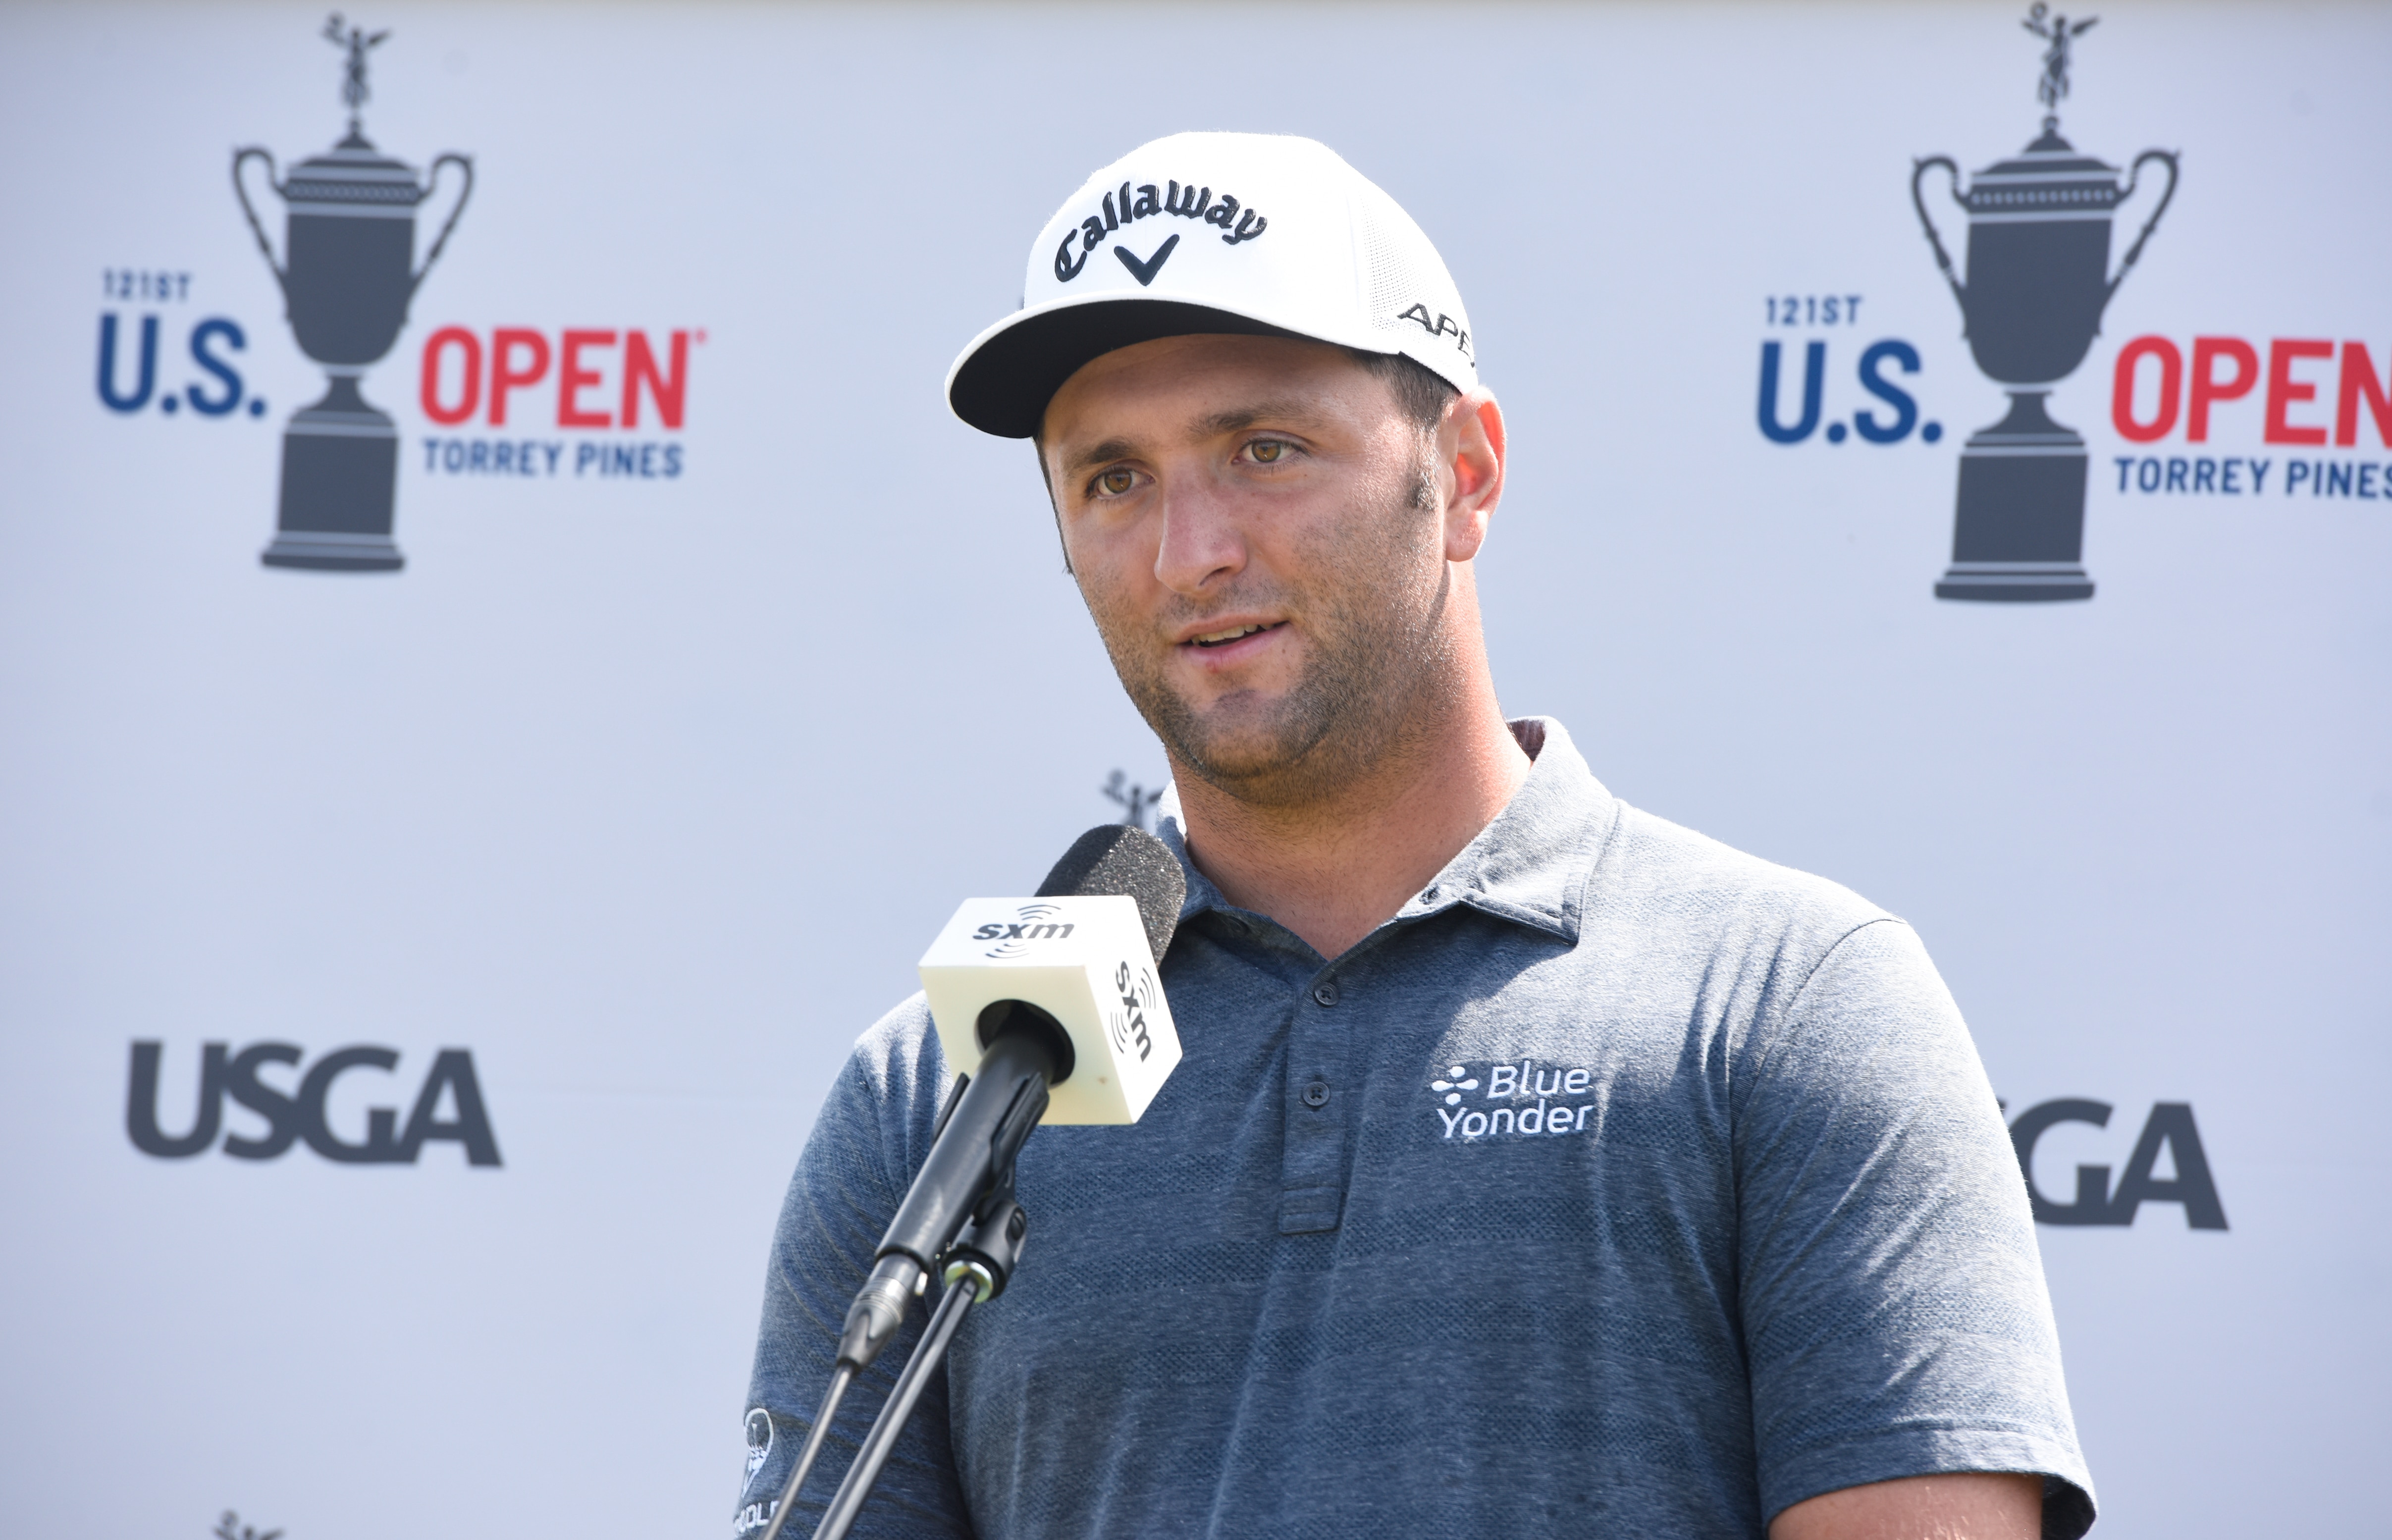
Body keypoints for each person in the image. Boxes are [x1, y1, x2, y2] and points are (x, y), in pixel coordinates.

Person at [739, 131, 2092, 1540]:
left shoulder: (1786, 1000)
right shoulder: (941, 1095)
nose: (1186, 551)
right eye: (1112, 479)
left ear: (1468, 472)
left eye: (1265, 449)